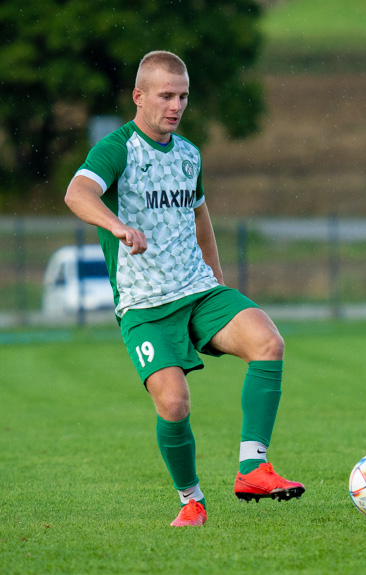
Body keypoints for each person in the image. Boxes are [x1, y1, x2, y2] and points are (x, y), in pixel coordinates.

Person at [65, 50, 304, 527]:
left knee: (267, 341)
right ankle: (191, 500)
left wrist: (215, 273)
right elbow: (77, 193)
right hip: (145, 306)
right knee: (173, 403)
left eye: (183, 96)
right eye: (166, 95)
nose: (175, 106)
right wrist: (117, 227)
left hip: (197, 291)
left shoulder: (190, 154)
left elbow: (198, 214)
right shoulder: (117, 149)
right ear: (139, 96)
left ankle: (253, 467)